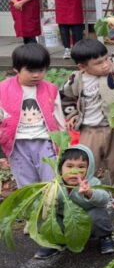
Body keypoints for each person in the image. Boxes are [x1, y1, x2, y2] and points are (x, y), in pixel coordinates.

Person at [62, 19, 114, 195]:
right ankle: (86, 193)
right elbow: (65, 98)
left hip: (113, 129)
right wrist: (71, 115)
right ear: (82, 67)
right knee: (87, 164)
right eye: (98, 63)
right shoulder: (76, 79)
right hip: (89, 130)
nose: (105, 65)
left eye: (106, 59)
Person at [34, 144, 114, 259]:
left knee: (98, 213)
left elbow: (104, 199)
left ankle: (106, 236)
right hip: (67, 225)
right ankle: (55, 241)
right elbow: (38, 208)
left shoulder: (92, 182)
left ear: (89, 169)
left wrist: (90, 193)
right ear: (60, 168)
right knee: (44, 216)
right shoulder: (54, 185)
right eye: (69, 166)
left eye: (81, 167)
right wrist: (44, 197)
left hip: (90, 225)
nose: (74, 171)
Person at [0, 44, 63, 193]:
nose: (36, 75)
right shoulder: (3, 89)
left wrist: (63, 141)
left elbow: (58, 116)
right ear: (16, 69)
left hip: (45, 141)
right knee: (27, 184)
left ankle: (51, 211)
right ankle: (34, 213)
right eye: (30, 70)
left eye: (41, 70)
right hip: (17, 144)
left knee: (51, 181)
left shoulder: (50, 89)